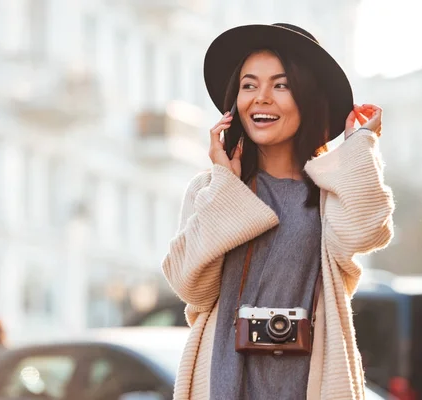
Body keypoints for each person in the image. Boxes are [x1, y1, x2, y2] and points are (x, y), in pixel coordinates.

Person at [161, 23, 394, 400]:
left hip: (307, 384)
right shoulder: (212, 189)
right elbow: (192, 287)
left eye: (280, 85)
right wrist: (225, 184)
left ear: (308, 97)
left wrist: (359, 145)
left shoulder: (327, 192)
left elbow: (368, 230)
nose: (261, 98)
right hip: (223, 383)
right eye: (249, 85)